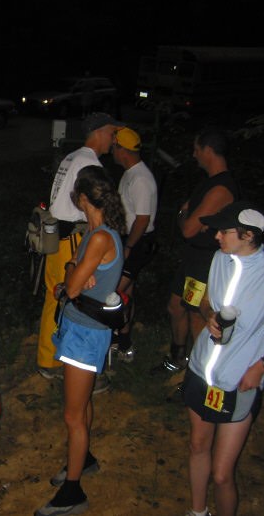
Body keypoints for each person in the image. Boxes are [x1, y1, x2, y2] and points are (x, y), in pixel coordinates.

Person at [181, 202, 264, 516]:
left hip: (240, 381)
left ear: (248, 235)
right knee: (198, 446)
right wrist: (208, 314)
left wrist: (263, 365)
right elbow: (207, 300)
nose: (217, 237)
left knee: (223, 473)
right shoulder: (220, 259)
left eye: (224, 231)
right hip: (201, 369)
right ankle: (198, 512)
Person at [35, 165, 126, 516]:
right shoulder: (96, 231)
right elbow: (71, 279)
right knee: (82, 404)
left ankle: (73, 493)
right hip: (79, 328)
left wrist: (72, 277)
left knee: (73, 416)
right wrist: (73, 275)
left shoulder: (101, 237)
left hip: (87, 334)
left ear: (84, 198)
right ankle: (82, 459)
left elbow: (69, 287)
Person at [38, 112, 123, 381]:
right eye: (111, 133)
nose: (113, 140)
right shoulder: (88, 162)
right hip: (72, 235)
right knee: (66, 295)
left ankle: (49, 355)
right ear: (98, 131)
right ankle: (59, 358)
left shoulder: (71, 156)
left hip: (57, 233)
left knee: (55, 294)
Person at [158, 128, 239, 373]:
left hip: (205, 262)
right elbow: (189, 220)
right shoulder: (208, 183)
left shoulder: (221, 189)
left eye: (196, 149)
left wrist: (184, 216)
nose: (194, 155)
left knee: (196, 315)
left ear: (208, 150)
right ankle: (177, 358)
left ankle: (197, 372)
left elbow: (188, 228)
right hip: (192, 257)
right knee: (175, 306)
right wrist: (186, 216)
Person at [110, 127, 158, 362]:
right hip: (129, 239)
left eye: (114, 147)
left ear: (122, 150)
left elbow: (143, 218)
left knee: (113, 291)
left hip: (137, 241)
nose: (112, 151)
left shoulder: (139, 179)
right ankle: (124, 342)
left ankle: (112, 339)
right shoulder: (130, 173)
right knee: (126, 292)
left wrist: (128, 246)